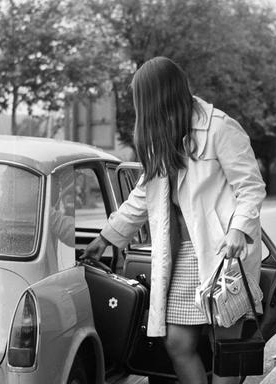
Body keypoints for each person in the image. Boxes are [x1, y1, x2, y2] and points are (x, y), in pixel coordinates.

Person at [84, 56, 266, 384]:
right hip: (181, 254)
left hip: (223, 253)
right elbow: (143, 196)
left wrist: (239, 229)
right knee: (177, 343)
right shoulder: (160, 137)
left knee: (227, 344)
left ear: (158, 96)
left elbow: (250, 188)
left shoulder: (219, 127)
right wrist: (107, 237)